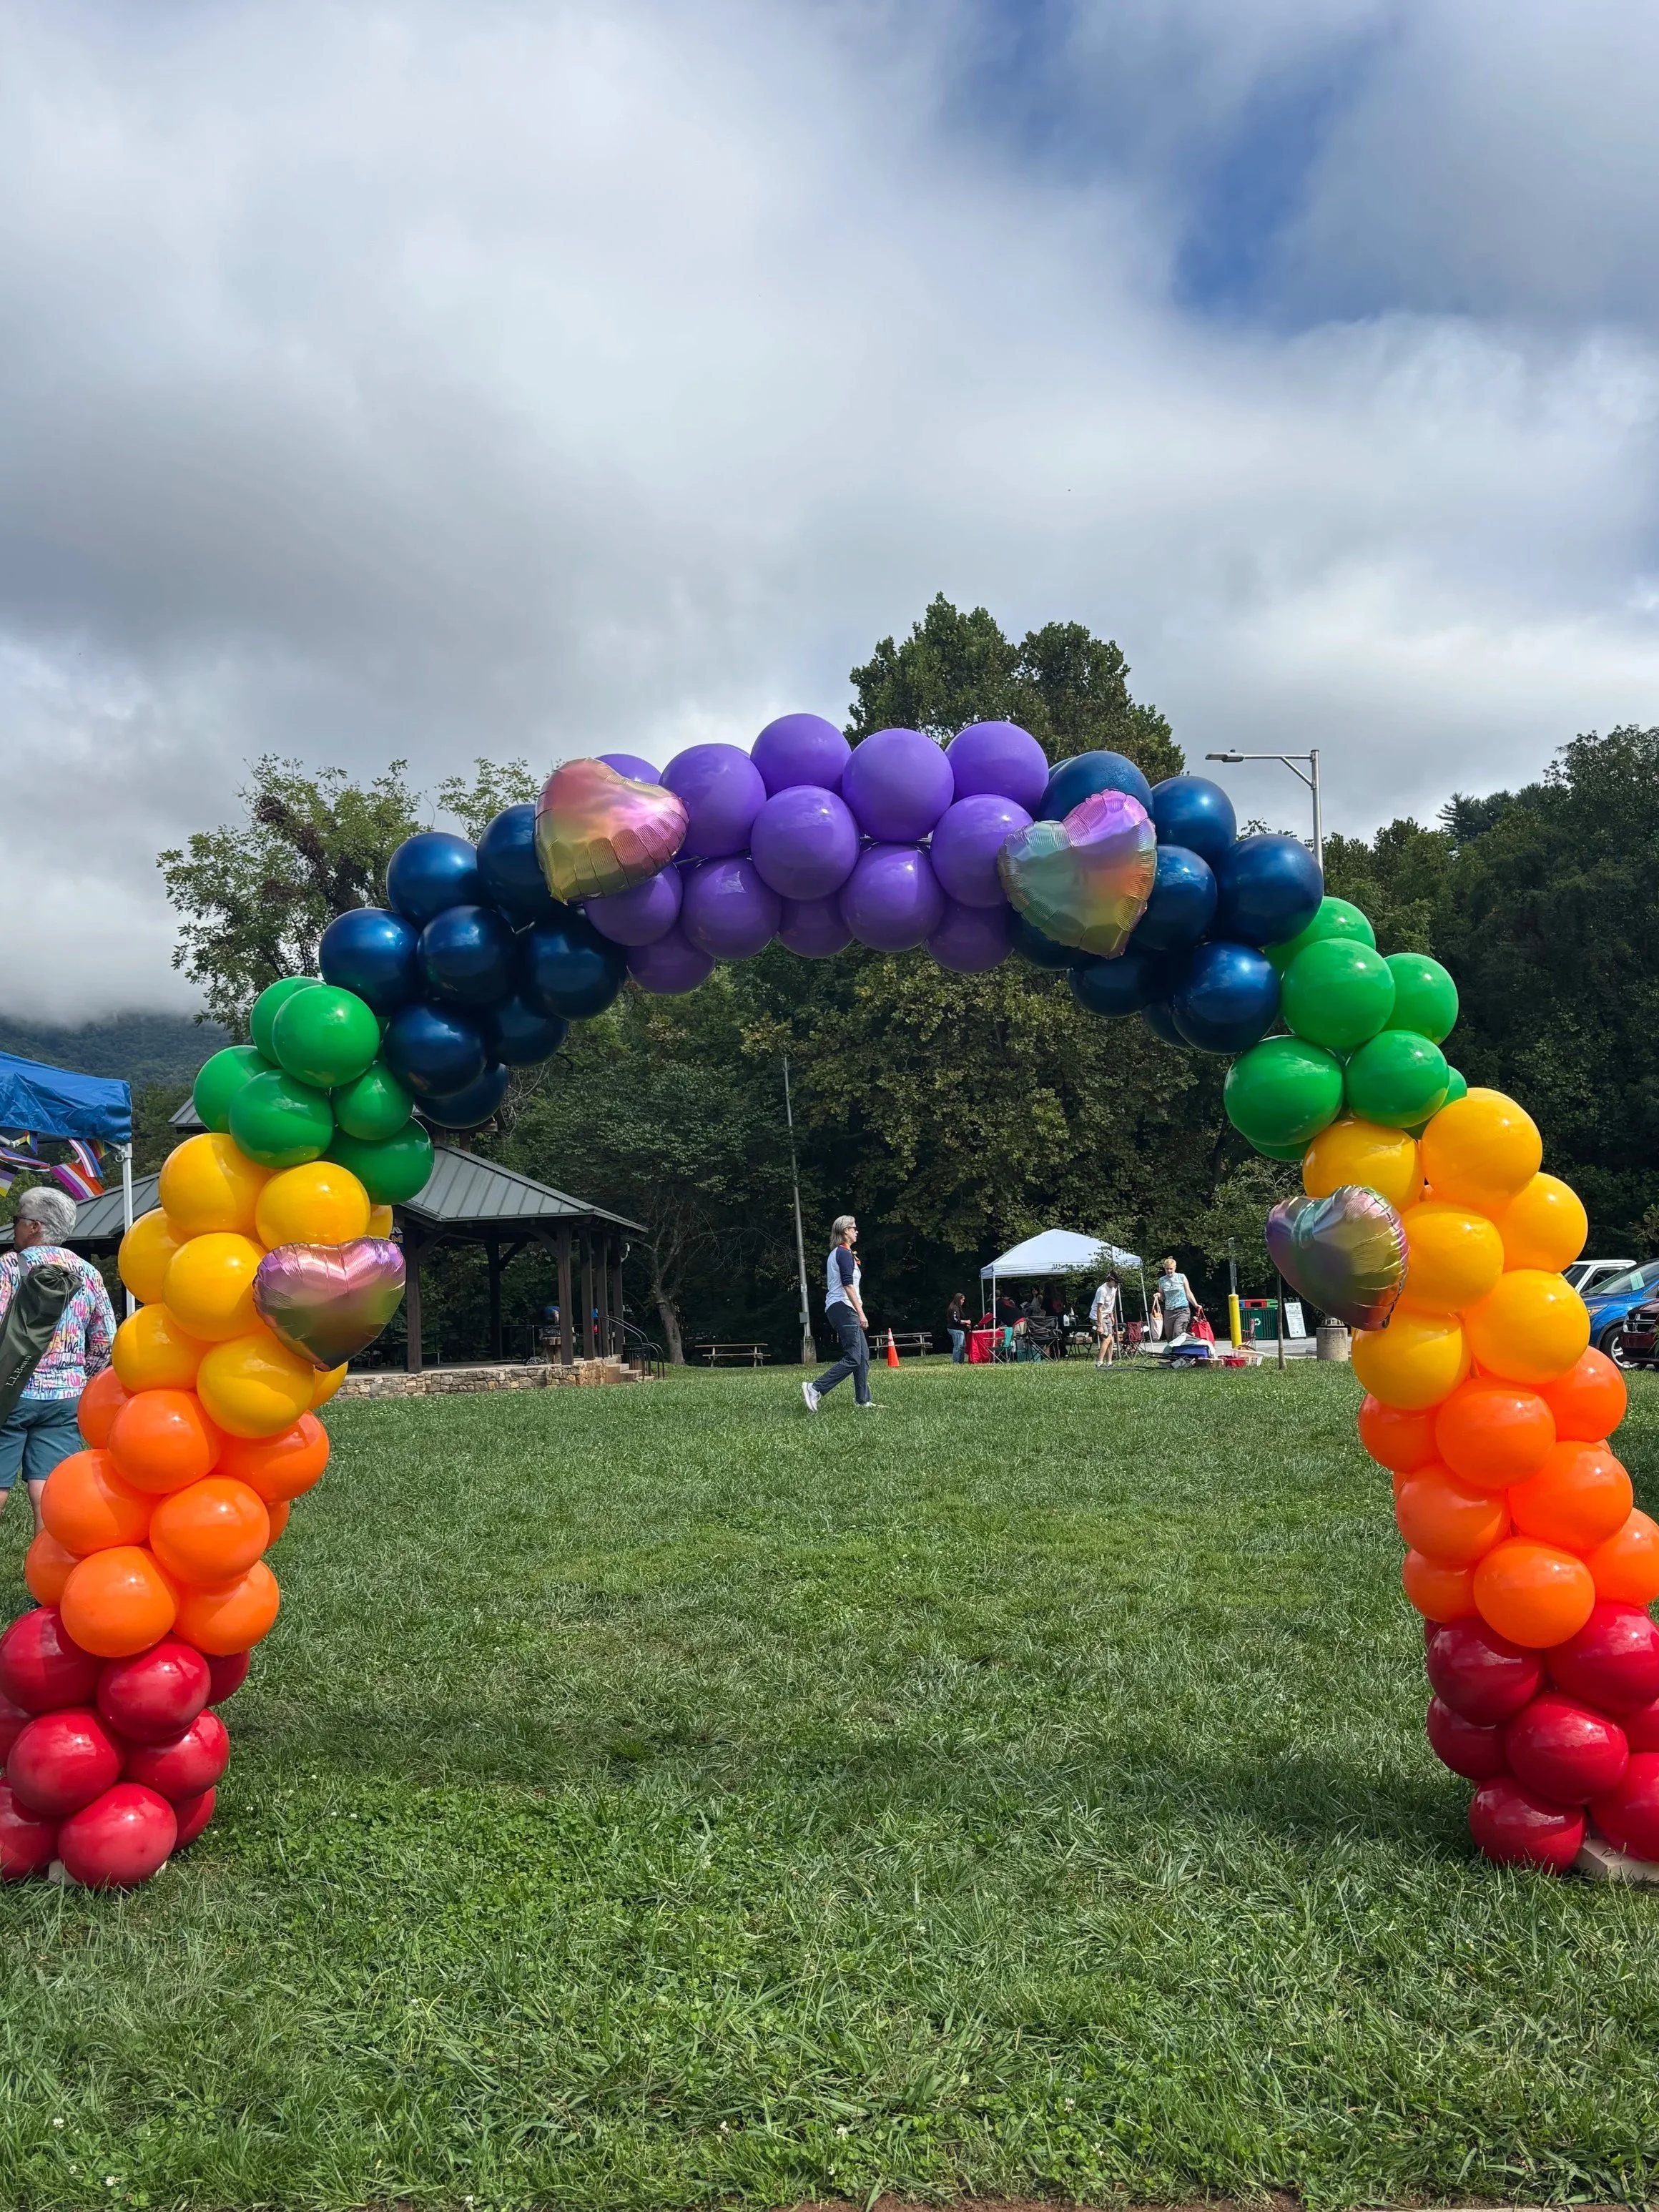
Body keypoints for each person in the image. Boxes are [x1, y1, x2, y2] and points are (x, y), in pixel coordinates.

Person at [0, 1186, 117, 1533]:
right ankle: (44, 1575)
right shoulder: (87, 1274)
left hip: (9, 1391)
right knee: (49, 1487)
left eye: (17, 1219)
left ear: (34, 1227)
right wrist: (79, 1376)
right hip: (65, 1396)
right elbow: (106, 1339)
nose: (14, 1227)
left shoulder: (7, 1267)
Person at [802, 1214, 875, 1412]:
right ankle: (815, 1388)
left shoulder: (844, 1253)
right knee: (853, 1356)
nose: (856, 1231)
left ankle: (863, 1400)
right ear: (845, 1231)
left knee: (863, 1355)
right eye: (854, 1228)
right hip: (843, 1308)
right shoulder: (842, 1253)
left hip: (844, 1307)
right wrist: (861, 1312)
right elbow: (847, 1284)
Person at [1152, 1256, 1202, 1345]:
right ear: (1165, 1269)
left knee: (1178, 1332)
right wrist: (1159, 1295)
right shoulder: (1162, 1281)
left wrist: (1196, 1305)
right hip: (1169, 1311)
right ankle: (1173, 1355)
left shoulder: (1181, 1277)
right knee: (1169, 1335)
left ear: (1175, 1268)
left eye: (1171, 1269)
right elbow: (1163, 1297)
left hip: (1182, 1309)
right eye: (1167, 1269)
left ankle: (1181, 1354)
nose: (1169, 1271)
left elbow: (1188, 1293)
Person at [1090, 1271, 1121, 1367]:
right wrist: (1099, 1325)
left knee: (1111, 1339)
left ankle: (1109, 1363)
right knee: (1107, 1339)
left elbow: (1111, 1303)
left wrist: (1112, 1316)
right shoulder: (1102, 1290)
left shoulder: (1114, 1288)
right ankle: (1099, 1362)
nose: (1117, 1285)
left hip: (1107, 1315)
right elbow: (1099, 1309)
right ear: (1111, 1280)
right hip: (1097, 1316)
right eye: (1116, 1282)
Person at [945, 1291, 968, 1364]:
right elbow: (956, 1320)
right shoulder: (954, 1308)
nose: (963, 1302)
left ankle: (961, 1361)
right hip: (956, 1329)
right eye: (962, 1300)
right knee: (958, 1346)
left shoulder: (957, 1308)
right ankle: (956, 1362)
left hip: (960, 1329)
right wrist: (966, 1322)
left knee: (962, 1346)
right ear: (958, 1300)